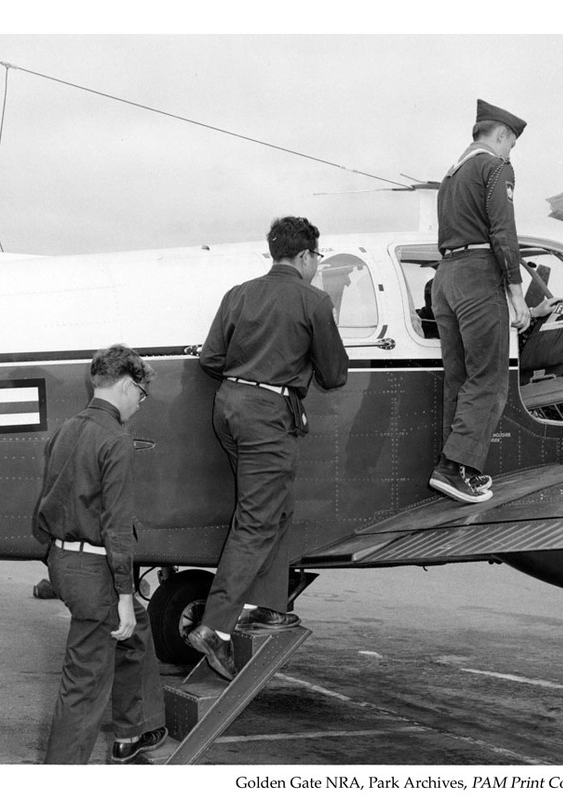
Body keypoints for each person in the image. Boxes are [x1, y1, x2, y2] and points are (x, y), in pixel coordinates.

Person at [190, 216, 349, 680]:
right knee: (258, 520)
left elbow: (211, 359)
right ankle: (214, 628)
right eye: (317, 258)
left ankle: (267, 607)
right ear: (304, 256)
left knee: (274, 509)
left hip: (229, 408)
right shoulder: (313, 301)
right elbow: (334, 375)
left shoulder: (238, 293)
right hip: (267, 417)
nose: (316, 265)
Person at [33, 344, 167, 764]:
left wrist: (57, 562)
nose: (139, 406)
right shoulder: (116, 439)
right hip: (95, 571)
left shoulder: (66, 430)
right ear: (128, 386)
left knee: (136, 633)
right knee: (85, 684)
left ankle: (135, 729)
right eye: (141, 396)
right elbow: (117, 530)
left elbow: (45, 508)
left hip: (64, 561)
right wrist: (125, 596)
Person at [428, 99, 532, 504]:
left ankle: (455, 469)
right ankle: (454, 469)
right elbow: (504, 233)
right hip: (477, 275)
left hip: (446, 277)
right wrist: (517, 294)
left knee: (460, 378)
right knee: (488, 378)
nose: (510, 154)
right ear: (501, 135)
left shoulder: (450, 174)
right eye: (511, 145)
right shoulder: (495, 167)